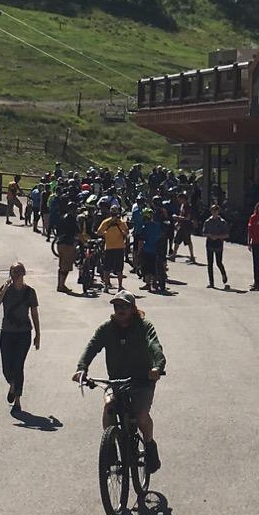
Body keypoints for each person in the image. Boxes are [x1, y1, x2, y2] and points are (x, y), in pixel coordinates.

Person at [74, 292, 166, 474]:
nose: (120, 310)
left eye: (124, 306)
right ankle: (110, 450)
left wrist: (157, 366)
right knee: (109, 406)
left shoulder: (144, 326)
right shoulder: (106, 328)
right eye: (117, 307)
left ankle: (149, 445)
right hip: (115, 381)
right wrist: (81, 368)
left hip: (142, 380)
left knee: (140, 416)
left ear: (132, 308)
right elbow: (92, 346)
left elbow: (154, 345)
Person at [0, 262, 40, 407]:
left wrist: (38, 334)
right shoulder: (6, 289)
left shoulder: (30, 292)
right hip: (6, 332)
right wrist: (4, 290)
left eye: (19, 271)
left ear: (24, 273)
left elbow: (35, 313)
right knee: (7, 367)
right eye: (13, 272)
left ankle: (17, 399)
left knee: (18, 366)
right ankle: (12, 384)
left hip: (24, 333)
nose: (16, 274)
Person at [97, 203, 131, 292]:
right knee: (119, 269)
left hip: (108, 248)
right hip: (119, 248)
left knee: (107, 268)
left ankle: (106, 286)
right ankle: (120, 286)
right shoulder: (121, 222)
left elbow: (99, 232)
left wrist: (105, 234)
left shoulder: (106, 222)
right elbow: (127, 232)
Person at [202, 201, 230, 288]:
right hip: (210, 243)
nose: (214, 212)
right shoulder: (208, 221)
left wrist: (218, 236)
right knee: (210, 263)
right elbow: (203, 233)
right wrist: (210, 235)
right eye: (213, 211)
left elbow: (227, 234)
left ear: (218, 212)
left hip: (218, 244)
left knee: (218, 262)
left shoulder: (222, 222)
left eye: (216, 211)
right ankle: (211, 282)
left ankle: (223, 274)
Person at [52, 208, 80, 293]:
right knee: (66, 267)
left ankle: (60, 284)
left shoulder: (62, 218)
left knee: (62, 266)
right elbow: (77, 232)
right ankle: (61, 285)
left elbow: (56, 228)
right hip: (68, 244)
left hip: (60, 244)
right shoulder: (71, 220)